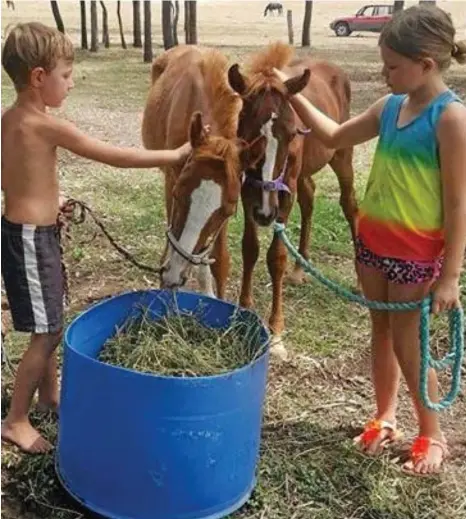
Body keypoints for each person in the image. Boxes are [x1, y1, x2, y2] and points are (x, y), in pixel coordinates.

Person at [273, 5, 466, 475]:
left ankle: (432, 434)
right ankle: (383, 417)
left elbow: (460, 204)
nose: (385, 76)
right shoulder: (390, 108)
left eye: (393, 67)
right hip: (373, 244)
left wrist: (450, 277)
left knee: (410, 342)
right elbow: (336, 135)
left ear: (426, 64)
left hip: (415, 254)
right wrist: (292, 94)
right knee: (379, 334)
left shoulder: (451, 119)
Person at [1, 22, 193, 454]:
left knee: (48, 322)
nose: (71, 83)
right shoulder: (47, 126)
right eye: (66, 75)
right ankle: (15, 419)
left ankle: (49, 398)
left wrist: (53, 200)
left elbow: (11, 175)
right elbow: (114, 155)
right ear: (38, 77)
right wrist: (174, 154)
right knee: (47, 332)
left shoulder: (11, 120)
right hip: (32, 241)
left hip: (28, 234)